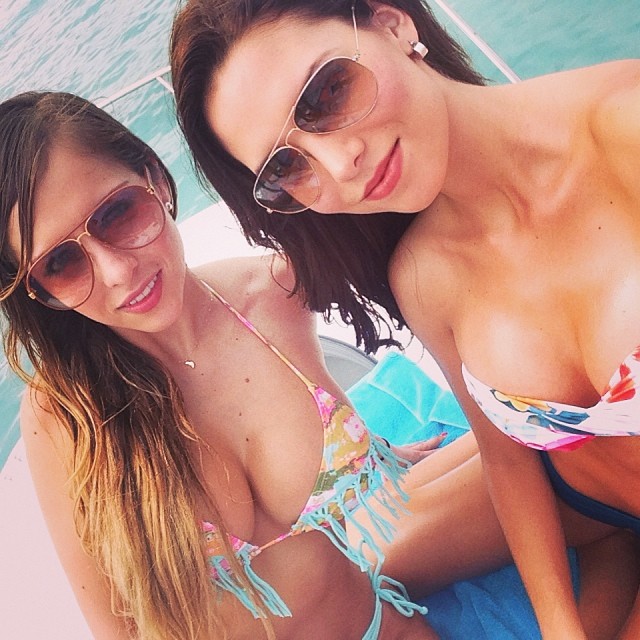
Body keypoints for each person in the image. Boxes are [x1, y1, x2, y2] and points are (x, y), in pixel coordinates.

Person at [169, 0, 640, 637]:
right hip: (581, 489)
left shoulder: (626, 129)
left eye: (327, 92)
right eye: (286, 166)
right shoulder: (424, 271)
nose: (339, 165)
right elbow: (508, 461)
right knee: (315, 598)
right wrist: (559, 625)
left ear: (393, 25)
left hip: (592, 497)